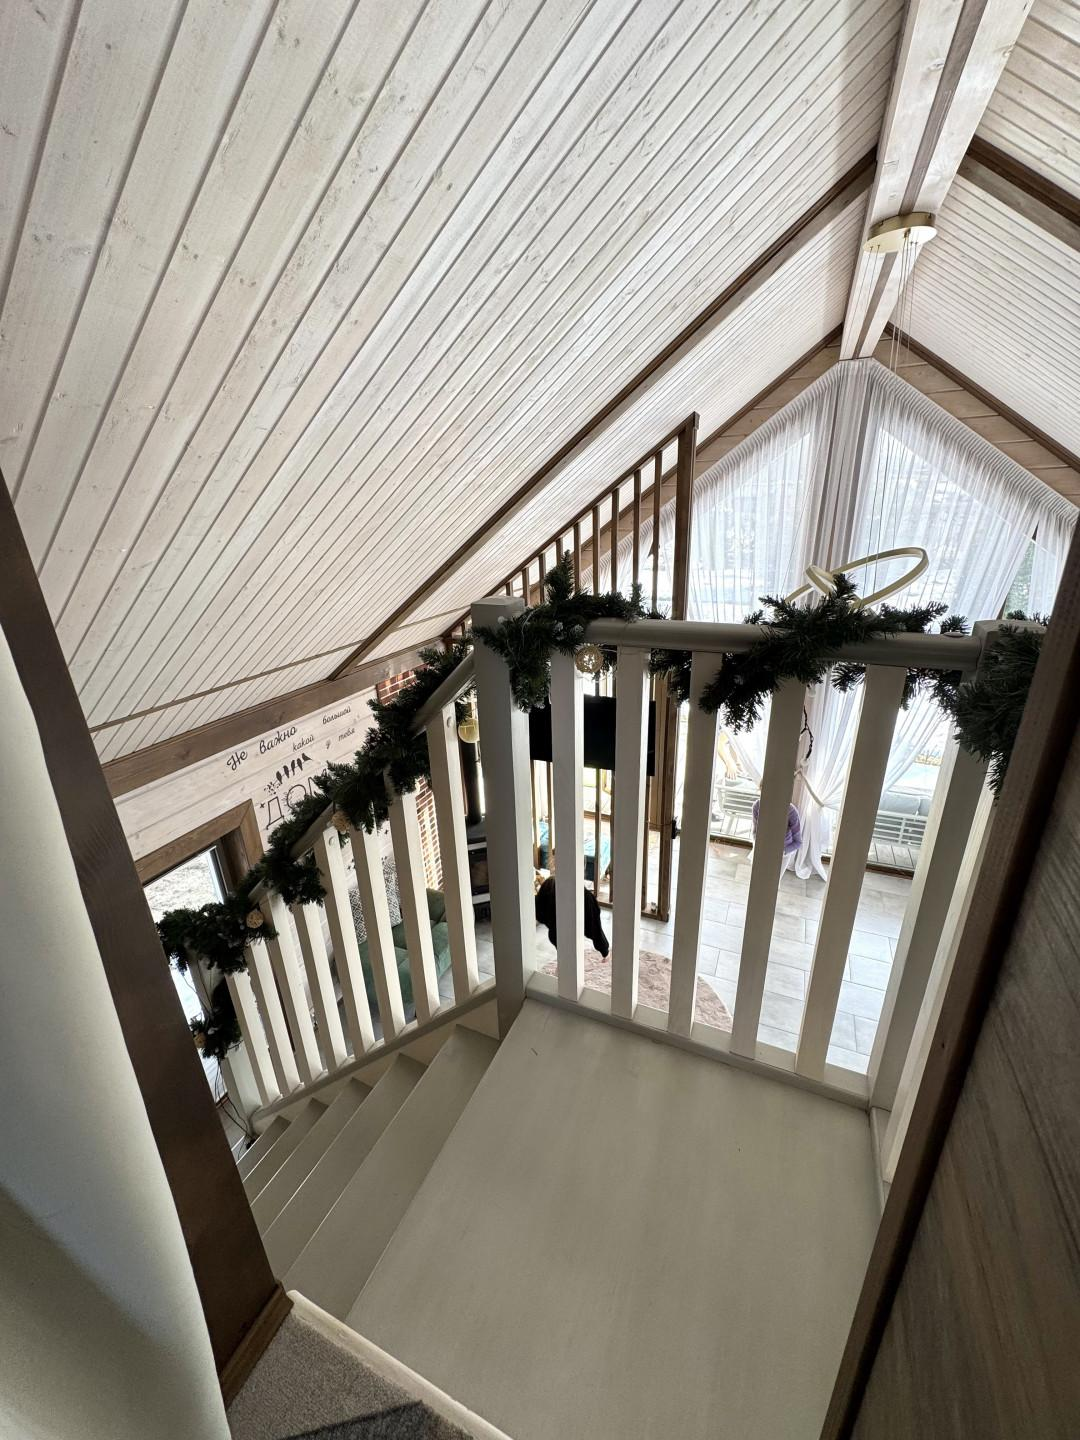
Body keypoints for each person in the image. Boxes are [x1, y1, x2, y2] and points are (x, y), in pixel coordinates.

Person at [534, 874, 609, 957]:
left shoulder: (549, 886)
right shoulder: (584, 896)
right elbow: (595, 929)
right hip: (564, 931)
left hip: (556, 933)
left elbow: (539, 911)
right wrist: (604, 949)